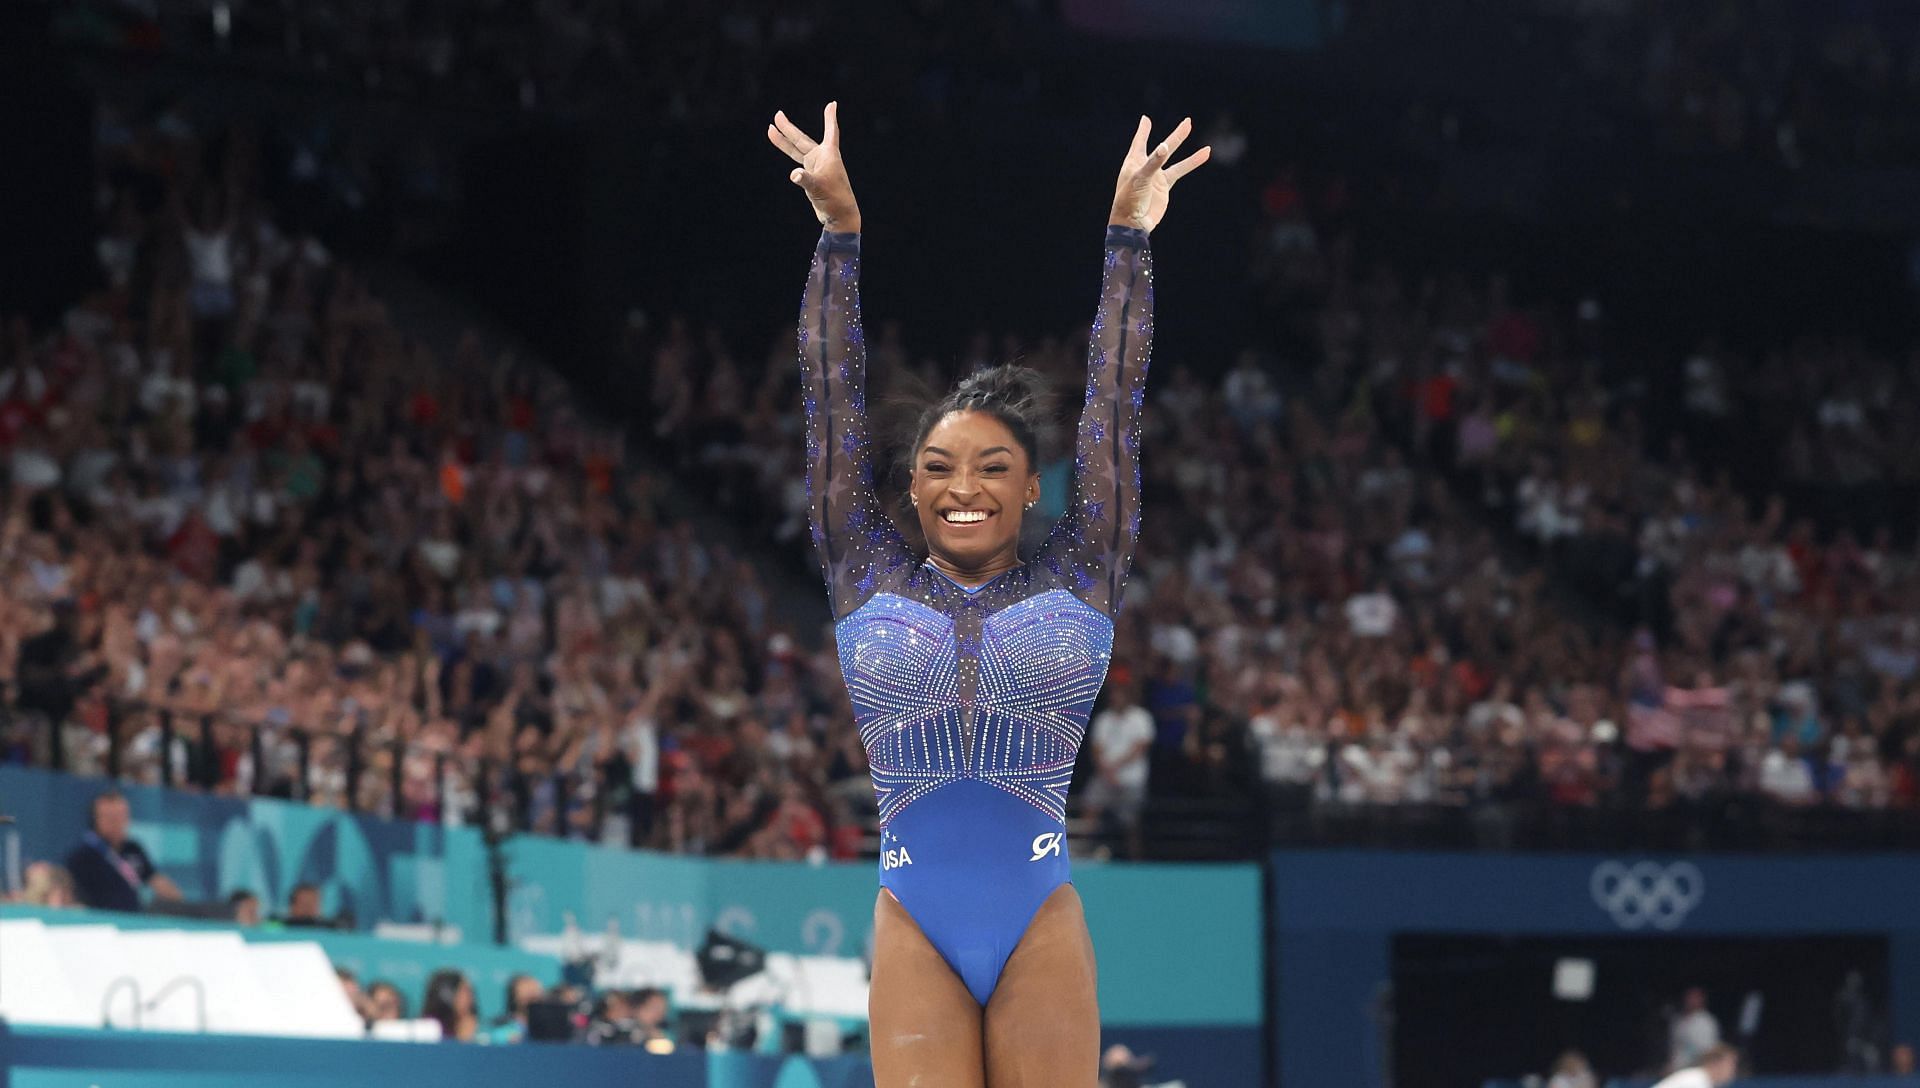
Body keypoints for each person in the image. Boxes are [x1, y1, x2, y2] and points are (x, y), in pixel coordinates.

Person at [769, 101, 1207, 1086]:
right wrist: (839, 239)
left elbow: (1115, 405)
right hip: (913, 916)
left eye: (992, 465)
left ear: (1030, 485)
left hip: (1037, 913)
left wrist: (1128, 239)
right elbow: (830, 402)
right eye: (938, 465)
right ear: (912, 485)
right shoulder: (859, 562)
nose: (964, 485)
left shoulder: (1085, 563)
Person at [63, 789, 183, 912]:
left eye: (122, 816)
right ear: (96, 819)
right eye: (111, 818)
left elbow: (155, 879)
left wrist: (178, 900)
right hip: (102, 923)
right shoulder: (82, 857)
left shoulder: (133, 849)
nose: (118, 823)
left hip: (134, 920)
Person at [1083, 680, 1154, 859]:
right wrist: (1107, 773)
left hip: (1131, 780)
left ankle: (1134, 858)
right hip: (1105, 778)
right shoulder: (1103, 719)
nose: (1116, 698)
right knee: (1090, 807)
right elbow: (1096, 749)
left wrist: (1115, 768)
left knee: (1131, 823)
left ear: (1127, 697)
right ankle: (1083, 852)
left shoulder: (1141, 718)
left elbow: (1140, 747)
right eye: (1113, 695)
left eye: (1120, 695)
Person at [1670, 986, 1722, 1071]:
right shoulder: (1678, 1021)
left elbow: (1709, 1049)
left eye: (1695, 997)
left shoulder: (1707, 1021)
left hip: (1698, 1069)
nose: (1691, 1000)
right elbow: (1675, 1047)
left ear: (1702, 999)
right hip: (1678, 1069)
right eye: (1689, 997)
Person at [422, 968, 478, 1042]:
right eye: (465, 992)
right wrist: (463, 1038)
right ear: (446, 996)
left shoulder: (473, 1026)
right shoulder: (427, 1030)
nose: (471, 998)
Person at [1651, 1043, 1738, 1088]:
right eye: (1730, 1064)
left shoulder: (1699, 1079)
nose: (1732, 1071)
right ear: (1716, 1064)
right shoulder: (1696, 1081)